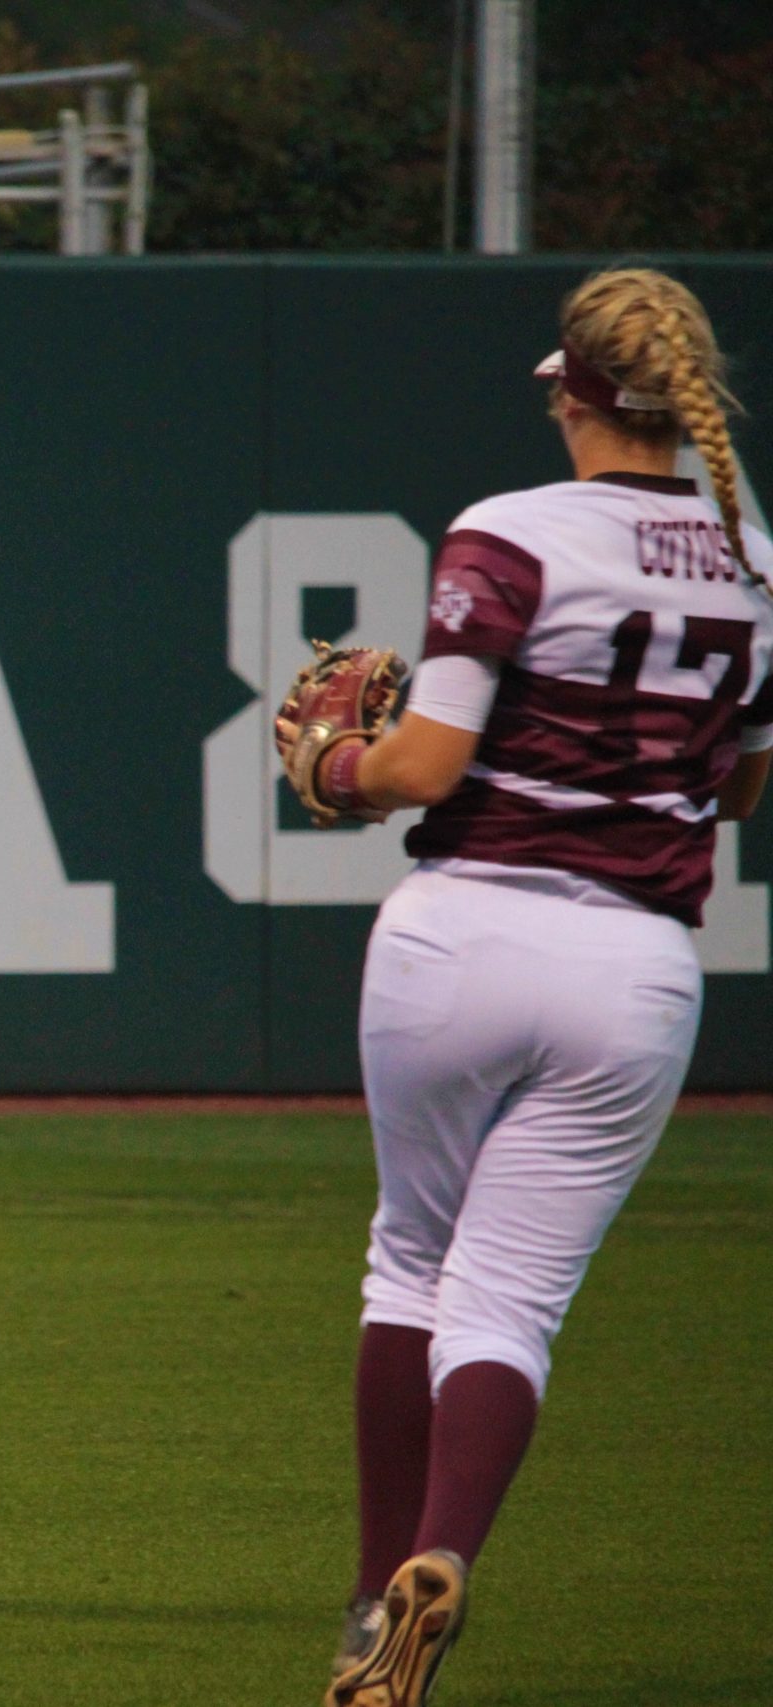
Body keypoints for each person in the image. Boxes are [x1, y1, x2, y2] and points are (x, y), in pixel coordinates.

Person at [302, 269, 773, 1707]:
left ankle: (377, 1596)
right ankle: (450, 1549)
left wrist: (335, 766)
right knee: (510, 1303)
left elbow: (425, 769)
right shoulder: (758, 558)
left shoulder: (508, 531)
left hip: (465, 931)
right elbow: (741, 784)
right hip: (633, 961)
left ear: (568, 392)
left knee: (411, 1262)